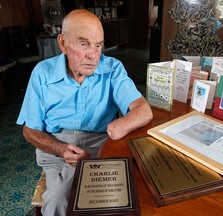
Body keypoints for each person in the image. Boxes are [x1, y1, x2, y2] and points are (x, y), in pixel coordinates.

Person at [16, 9, 153, 216]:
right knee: (57, 204)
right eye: (84, 44)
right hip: (56, 148)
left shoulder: (113, 68)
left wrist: (117, 126)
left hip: (101, 145)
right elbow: (30, 131)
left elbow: (143, 110)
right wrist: (61, 149)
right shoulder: (42, 73)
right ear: (62, 44)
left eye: (98, 45)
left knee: (120, 201)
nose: (94, 55)